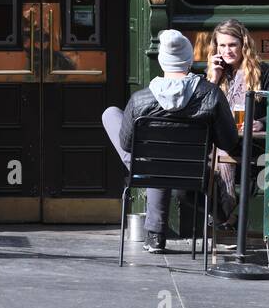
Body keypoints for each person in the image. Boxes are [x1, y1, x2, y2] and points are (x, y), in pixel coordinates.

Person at [102, 29, 240, 253]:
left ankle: (155, 235)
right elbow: (229, 141)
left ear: (161, 61)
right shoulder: (211, 94)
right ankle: (161, 228)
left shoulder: (140, 99)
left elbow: (127, 145)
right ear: (188, 60)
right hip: (193, 171)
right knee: (157, 160)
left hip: (149, 168)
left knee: (111, 115)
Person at [202, 19, 269, 226]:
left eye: (232, 45)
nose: (227, 50)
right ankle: (225, 212)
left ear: (243, 44)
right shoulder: (214, 74)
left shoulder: (263, 72)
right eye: (222, 45)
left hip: (251, 146)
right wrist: (214, 80)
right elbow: (202, 110)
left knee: (222, 153)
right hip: (217, 143)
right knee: (214, 154)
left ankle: (223, 212)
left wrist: (261, 123)